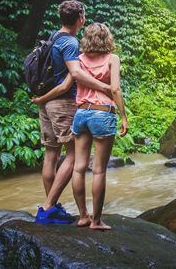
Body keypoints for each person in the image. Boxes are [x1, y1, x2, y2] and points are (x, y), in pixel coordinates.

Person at [34, 22, 128, 230]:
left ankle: (83, 217)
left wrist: (41, 99)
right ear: (107, 39)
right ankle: (96, 220)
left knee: (78, 167)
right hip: (103, 113)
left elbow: (65, 86)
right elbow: (116, 89)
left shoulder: (80, 60)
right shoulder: (113, 59)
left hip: (81, 113)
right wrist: (123, 116)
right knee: (99, 170)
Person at [30, 0, 110, 224]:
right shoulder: (71, 43)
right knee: (73, 155)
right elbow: (74, 75)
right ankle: (48, 208)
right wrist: (104, 87)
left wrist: (41, 99)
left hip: (46, 104)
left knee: (51, 155)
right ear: (80, 19)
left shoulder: (53, 37)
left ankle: (53, 207)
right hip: (62, 103)